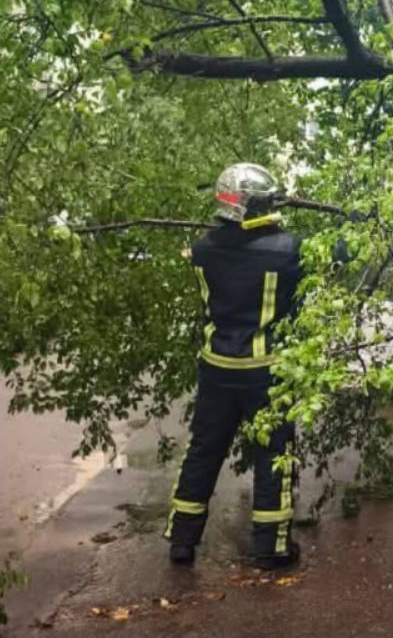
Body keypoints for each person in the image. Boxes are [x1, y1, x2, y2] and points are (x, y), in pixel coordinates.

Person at [164, 163, 303, 571]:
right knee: (274, 453)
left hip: (218, 367)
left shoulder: (202, 249)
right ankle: (271, 546)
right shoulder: (288, 249)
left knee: (203, 450)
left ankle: (182, 540)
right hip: (267, 370)